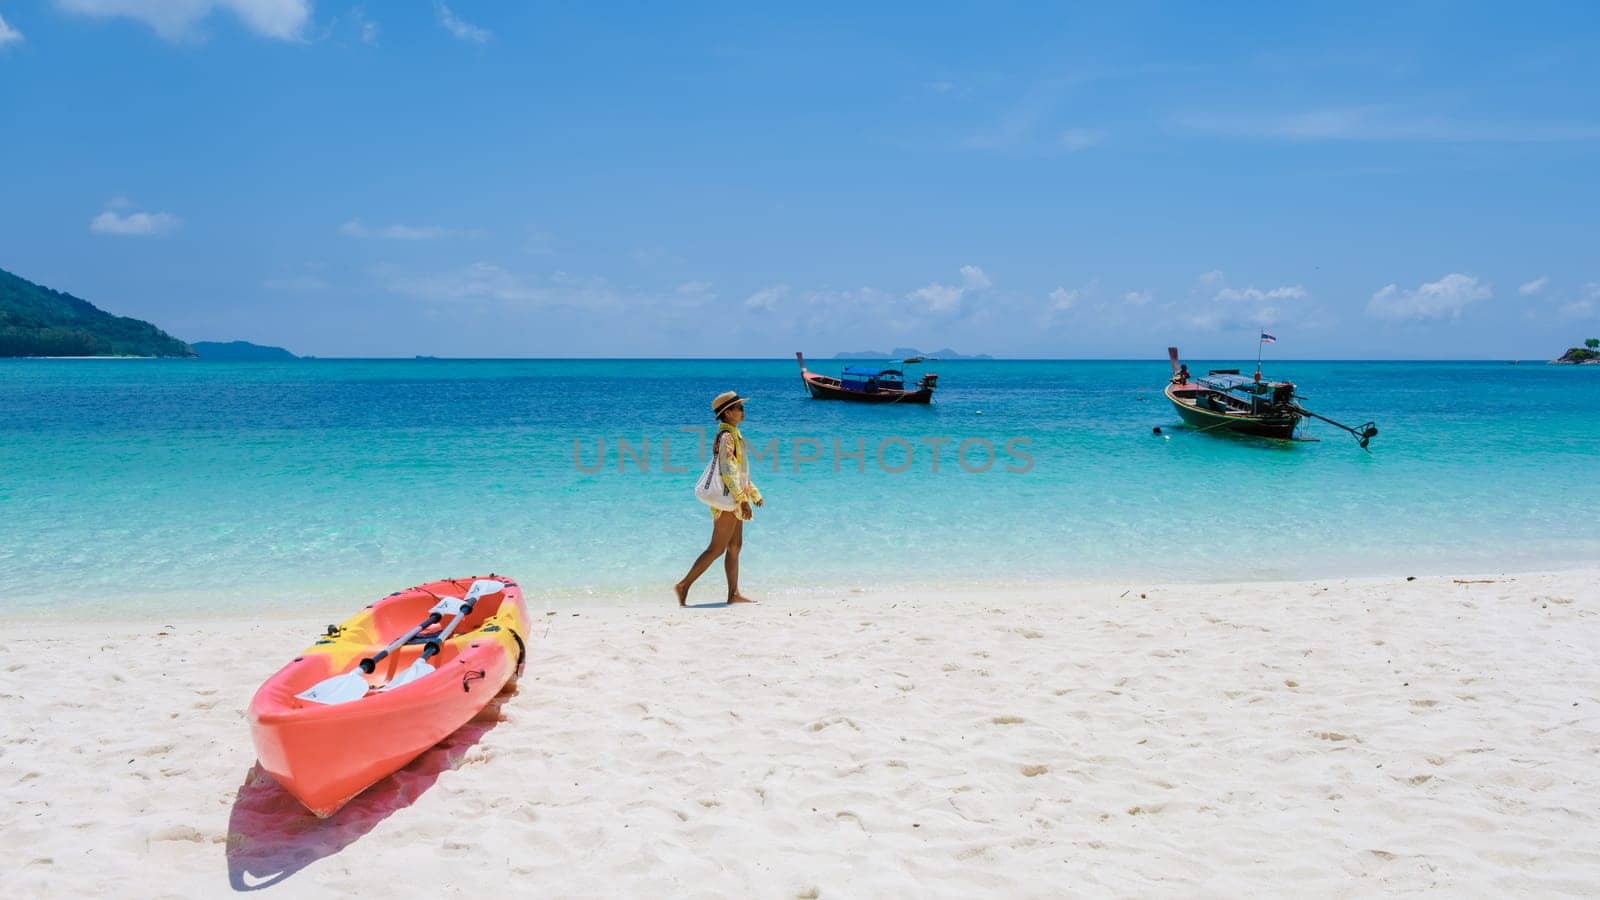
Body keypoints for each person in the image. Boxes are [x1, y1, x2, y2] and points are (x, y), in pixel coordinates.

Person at [675, 391, 763, 606]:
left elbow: (739, 471)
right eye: (739, 408)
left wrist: (754, 494)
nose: (742, 411)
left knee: (735, 546)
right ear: (727, 413)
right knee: (717, 548)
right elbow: (727, 469)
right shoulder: (726, 436)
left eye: (741, 407)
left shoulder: (733, 433)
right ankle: (683, 585)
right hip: (729, 500)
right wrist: (742, 499)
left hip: (735, 498)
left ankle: (733, 594)